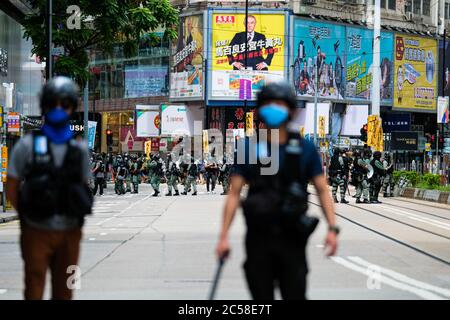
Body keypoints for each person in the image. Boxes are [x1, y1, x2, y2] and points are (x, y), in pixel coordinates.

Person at [215, 82, 338, 300]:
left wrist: (332, 229)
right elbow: (233, 193)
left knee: (295, 294)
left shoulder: (305, 148)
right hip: (258, 237)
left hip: (292, 237)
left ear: (290, 109)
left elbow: (322, 189)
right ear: (260, 109)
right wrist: (223, 236)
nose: (274, 107)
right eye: (268, 103)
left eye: (279, 103)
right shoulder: (248, 148)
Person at [6, 76, 93, 300]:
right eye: (52, 103)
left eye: (64, 104)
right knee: (34, 286)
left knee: (65, 290)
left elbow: (83, 187)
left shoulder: (79, 149)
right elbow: (12, 186)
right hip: (36, 229)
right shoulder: (26, 146)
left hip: (70, 231)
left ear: (72, 107)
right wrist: (27, 217)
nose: (58, 108)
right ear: (43, 106)